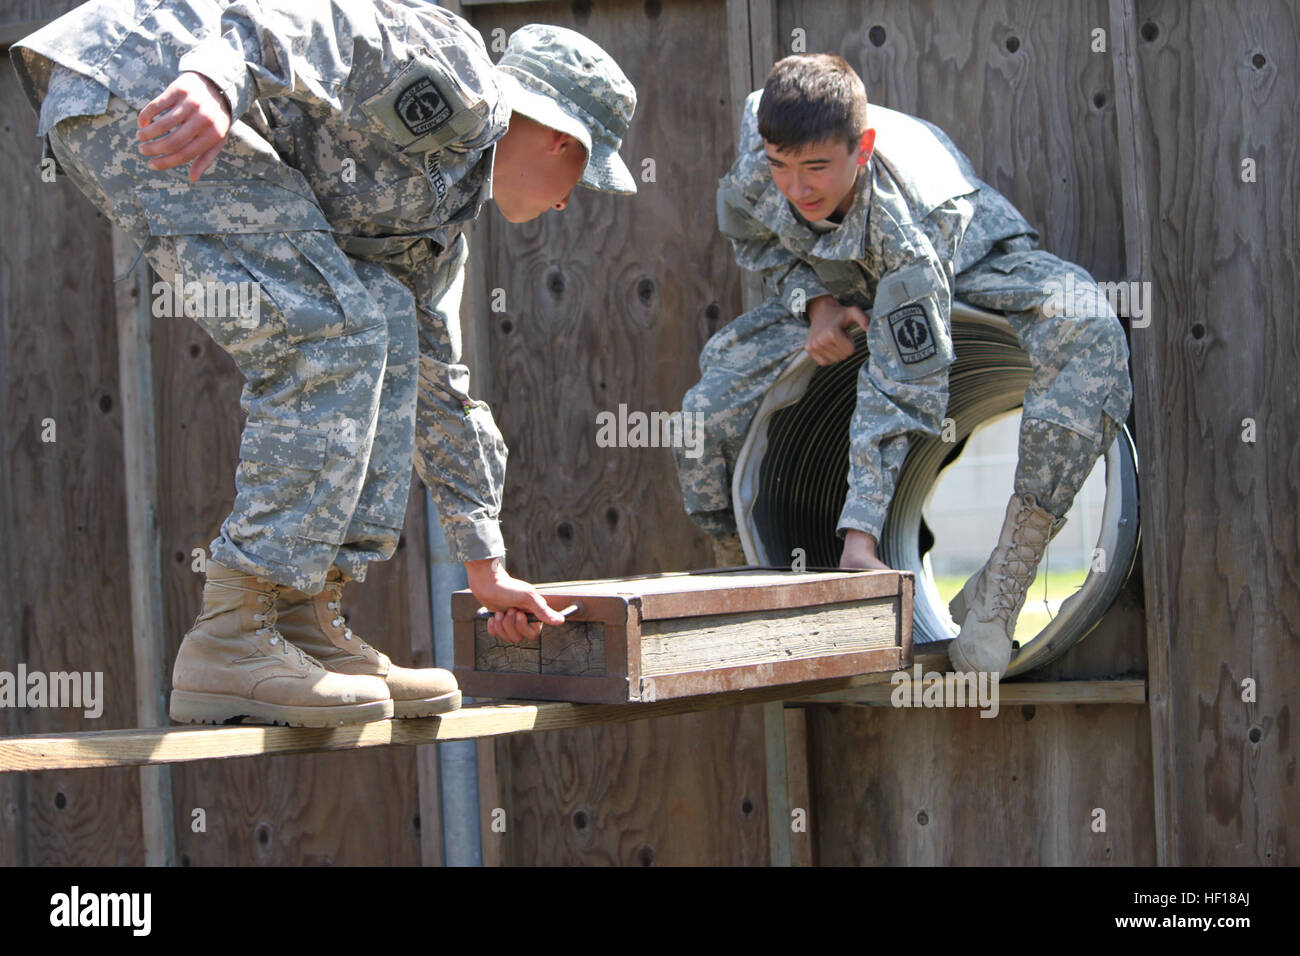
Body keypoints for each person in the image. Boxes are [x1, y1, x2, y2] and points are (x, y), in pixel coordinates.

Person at [10, 3, 637, 725]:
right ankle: (233, 631)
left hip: (178, 97)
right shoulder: (461, 80)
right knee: (330, 330)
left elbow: (438, 381)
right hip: (145, 78)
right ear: (563, 141)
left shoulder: (435, 225)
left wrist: (484, 561)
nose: (565, 206)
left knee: (386, 324)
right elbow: (300, 17)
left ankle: (304, 616)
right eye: (585, 178)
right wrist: (218, 79)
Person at [674, 54, 1131, 676]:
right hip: (848, 286)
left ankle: (1007, 574)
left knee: (1086, 321)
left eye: (815, 169)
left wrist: (859, 540)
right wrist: (814, 303)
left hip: (966, 269)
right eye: (782, 167)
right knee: (705, 412)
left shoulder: (906, 225)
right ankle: (751, 586)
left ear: (861, 148)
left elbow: (901, 382)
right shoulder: (766, 150)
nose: (797, 188)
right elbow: (751, 233)